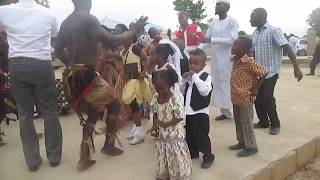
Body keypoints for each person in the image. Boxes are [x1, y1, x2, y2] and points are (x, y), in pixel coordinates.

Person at [54, 0, 147, 171]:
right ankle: (107, 145)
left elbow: (58, 51)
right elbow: (111, 41)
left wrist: (72, 64)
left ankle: (84, 156)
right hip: (87, 76)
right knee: (115, 104)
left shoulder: (66, 22)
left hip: (74, 76)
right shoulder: (88, 19)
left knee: (94, 111)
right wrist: (133, 31)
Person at [0, 0, 62, 171]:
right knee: (50, 111)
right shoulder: (48, 14)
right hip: (42, 64)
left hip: (17, 65)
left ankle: (33, 161)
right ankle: (54, 157)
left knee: (25, 114)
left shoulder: (4, 11)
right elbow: (56, 33)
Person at [250, 8, 303, 135]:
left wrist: (296, 67)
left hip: (271, 71)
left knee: (267, 97)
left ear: (261, 17)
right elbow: (253, 52)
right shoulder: (255, 33)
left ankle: (275, 124)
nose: (250, 20)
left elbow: (288, 48)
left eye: (252, 17)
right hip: (259, 72)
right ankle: (263, 121)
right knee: (257, 98)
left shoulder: (273, 31)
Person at [148, 69, 192, 180]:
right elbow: (155, 113)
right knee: (164, 152)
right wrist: (154, 126)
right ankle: (165, 173)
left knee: (176, 154)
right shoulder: (155, 98)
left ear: (170, 84)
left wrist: (164, 124)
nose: (159, 91)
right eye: (157, 88)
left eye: (162, 88)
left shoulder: (175, 100)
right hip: (163, 133)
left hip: (174, 132)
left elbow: (179, 117)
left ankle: (179, 175)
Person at [229, 37, 267, 157]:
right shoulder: (235, 60)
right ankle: (242, 142)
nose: (233, 47)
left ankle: (251, 147)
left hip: (245, 97)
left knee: (246, 123)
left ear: (244, 49)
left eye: (236, 45)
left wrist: (256, 88)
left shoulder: (249, 61)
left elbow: (263, 72)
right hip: (236, 97)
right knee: (238, 122)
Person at [203, 0, 239, 121]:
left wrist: (212, 40)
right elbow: (206, 40)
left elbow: (233, 40)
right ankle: (225, 112)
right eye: (216, 4)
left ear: (227, 7)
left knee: (228, 85)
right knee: (217, 85)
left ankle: (235, 112)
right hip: (216, 61)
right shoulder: (213, 23)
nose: (216, 6)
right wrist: (196, 50)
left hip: (227, 60)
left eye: (219, 4)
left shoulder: (232, 21)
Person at [181, 48, 215, 168]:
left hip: (200, 112)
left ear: (203, 65)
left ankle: (208, 156)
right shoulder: (189, 76)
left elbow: (204, 91)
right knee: (189, 134)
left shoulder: (207, 77)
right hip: (188, 111)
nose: (192, 66)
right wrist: (184, 79)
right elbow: (180, 90)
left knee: (202, 135)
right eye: (191, 63)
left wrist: (195, 77)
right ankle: (193, 152)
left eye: (196, 64)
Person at [121, 35, 152, 145]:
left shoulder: (134, 48)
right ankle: (135, 127)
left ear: (130, 39)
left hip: (135, 81)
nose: (122, 39)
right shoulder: (124, 51)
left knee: (133, 105)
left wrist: (144, 72)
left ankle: (139, 132)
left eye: (125, 37)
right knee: (131, 105)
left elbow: (147, 59)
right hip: (129, 81)